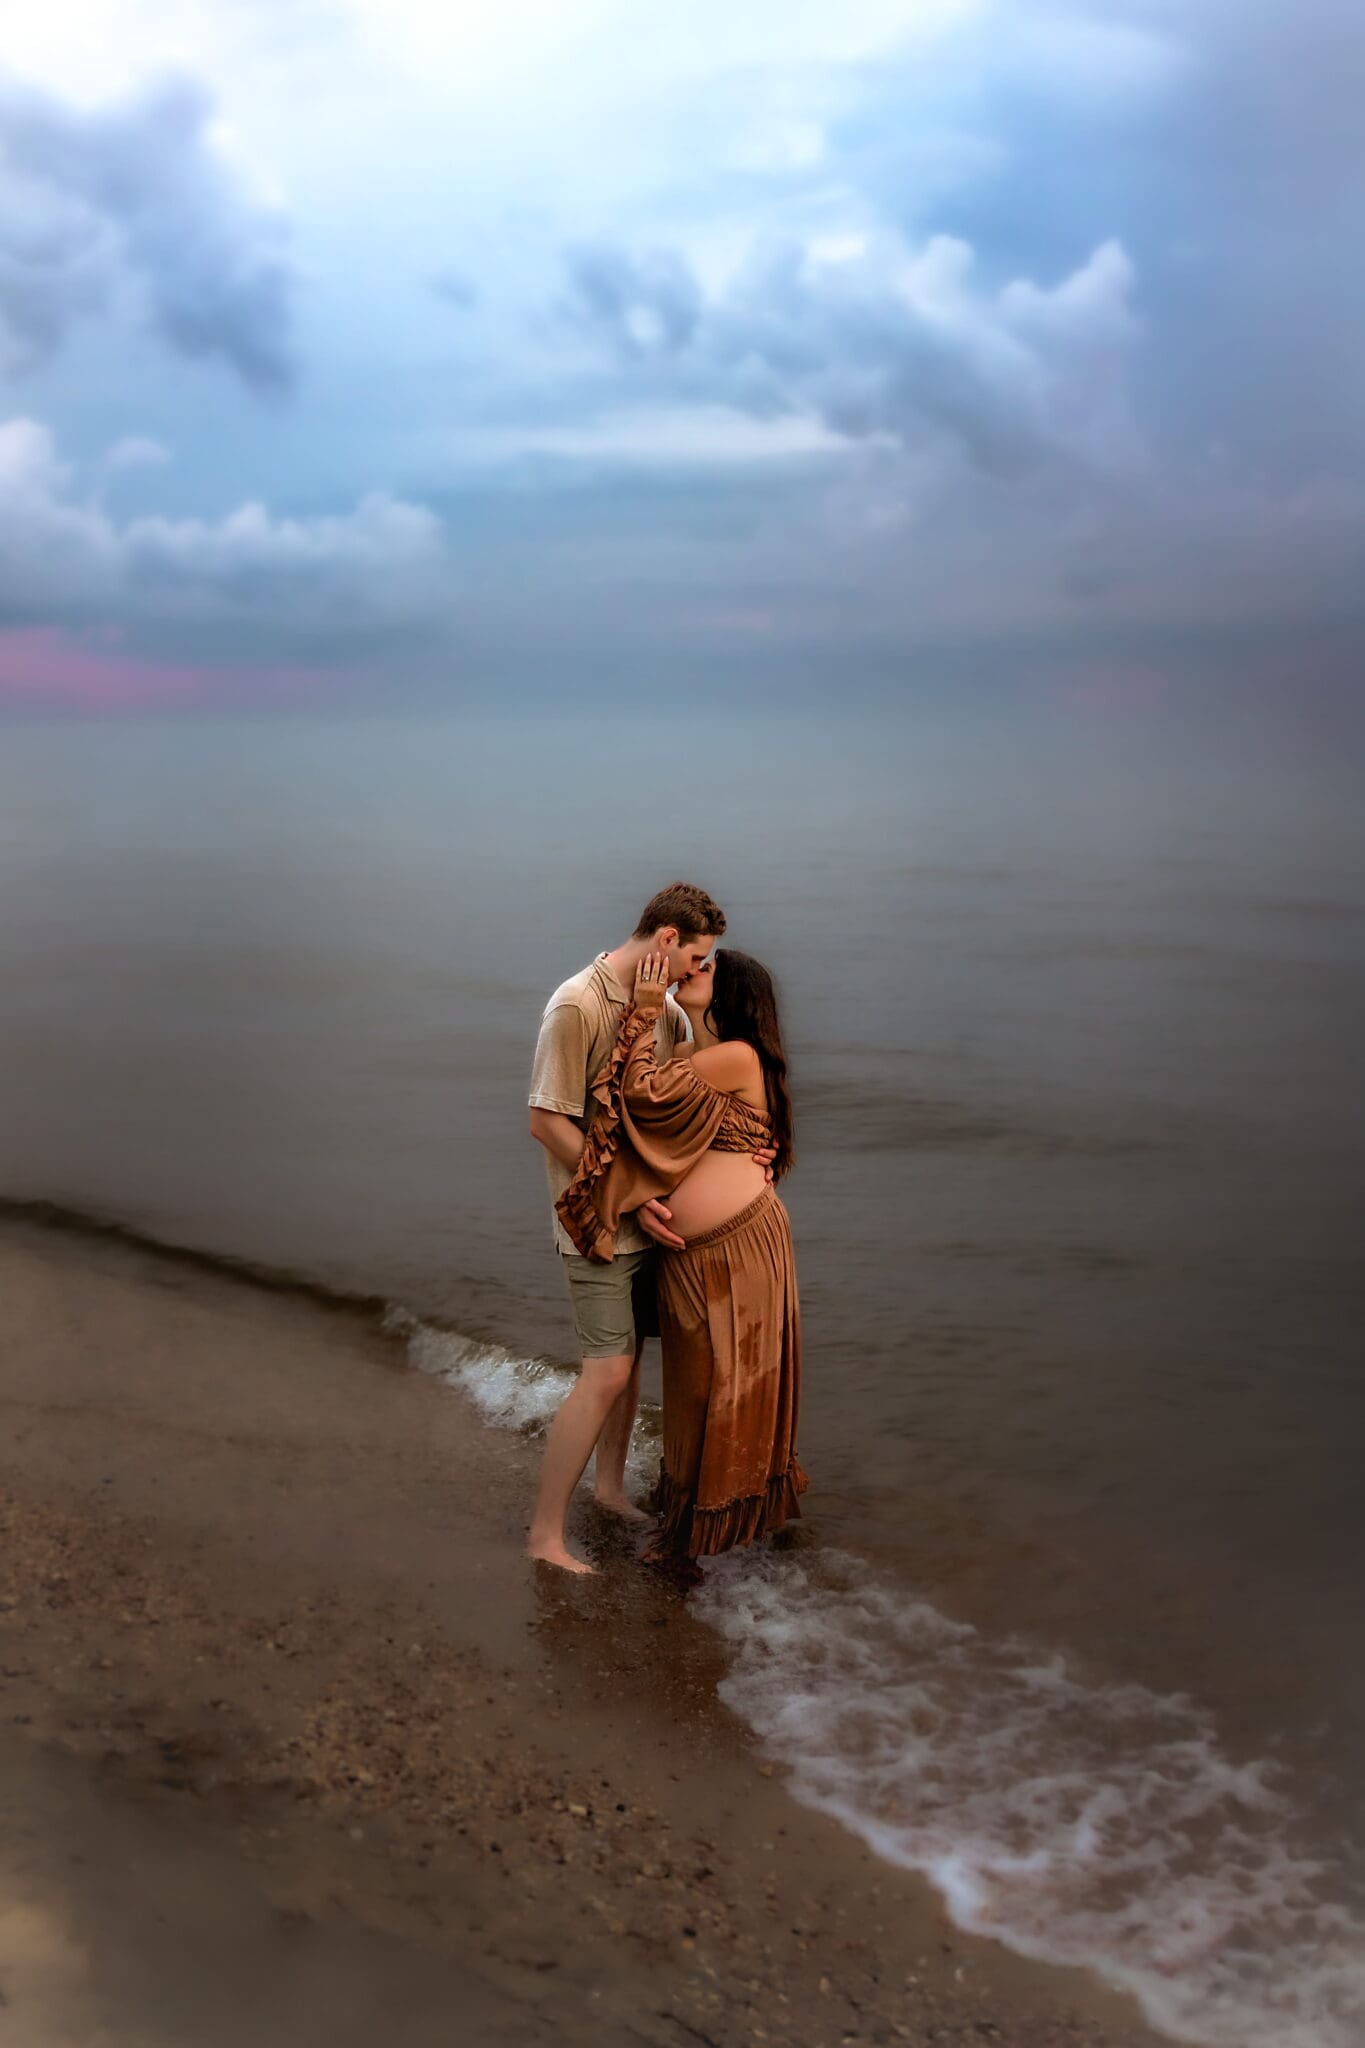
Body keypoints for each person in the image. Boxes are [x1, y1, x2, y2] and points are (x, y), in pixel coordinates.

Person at [526, 883, 773, 1575]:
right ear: (666, 940)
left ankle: (607, 1490)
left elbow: (675, 1111)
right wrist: (627, 1198)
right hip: (598, 1221)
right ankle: (544, 1535)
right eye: (698, 956)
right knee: (604, 1373)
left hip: (651, 1228)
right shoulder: (577, 1003)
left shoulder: (661, 1010)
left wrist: (757, 1146)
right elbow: (545, 1121)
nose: (700, 969)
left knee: (629, 1370)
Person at [556, 947, 807, 1563]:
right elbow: (672, 1134)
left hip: (738, 1248)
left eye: (709, 968)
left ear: (735, 995)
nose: (694, 970)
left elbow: (641, 1095)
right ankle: (693, 1523)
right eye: (696, 961)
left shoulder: (736, 1055)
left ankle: (703, 1530)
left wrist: (644, 1008)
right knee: (698, 1383)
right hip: (700, 1254)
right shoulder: (704, 1057)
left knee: (729, 1381)